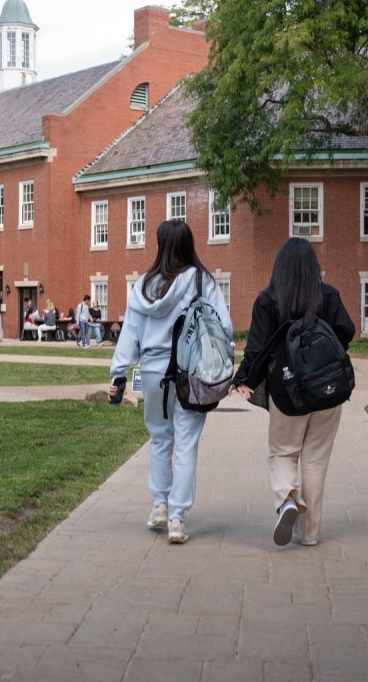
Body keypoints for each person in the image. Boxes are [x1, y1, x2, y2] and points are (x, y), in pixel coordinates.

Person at [108, 219, 232, 544]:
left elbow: (129, 335)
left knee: (160, 440)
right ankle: (178, 518)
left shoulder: (144, 286)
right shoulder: (202, 281)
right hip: (191, 373)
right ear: (189, 244)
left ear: (161, 244)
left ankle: (159, 505)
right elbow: (226, 328)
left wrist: (119, 375)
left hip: (151, 372)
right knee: (187, 444)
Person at [231, 237, 355, 548]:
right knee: (315, 460)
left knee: (284, 452)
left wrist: (243, 377)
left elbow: (257, 347)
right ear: (314, 266)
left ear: (279, 268)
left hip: (287, 392)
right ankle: (309, 533)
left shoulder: (268, 300)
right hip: (328, 390)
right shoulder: (328, 296)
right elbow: (346, 331)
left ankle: (287, 498)